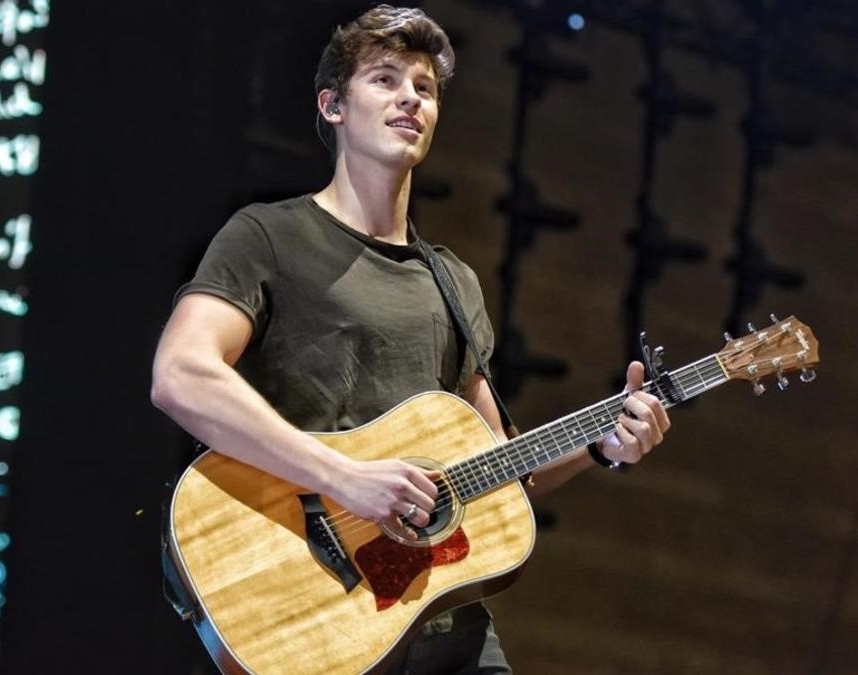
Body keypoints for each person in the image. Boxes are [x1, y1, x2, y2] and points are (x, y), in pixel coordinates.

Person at [151, 5, 671, 673]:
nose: (410, 98)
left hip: (441, 617)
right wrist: (345, 477)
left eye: (424, 88)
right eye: (386, 80)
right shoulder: (268, 237)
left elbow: (502, 467)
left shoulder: (452, 280)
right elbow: (181, 375)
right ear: (333, 106)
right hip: (314, 606)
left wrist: (600, 444)